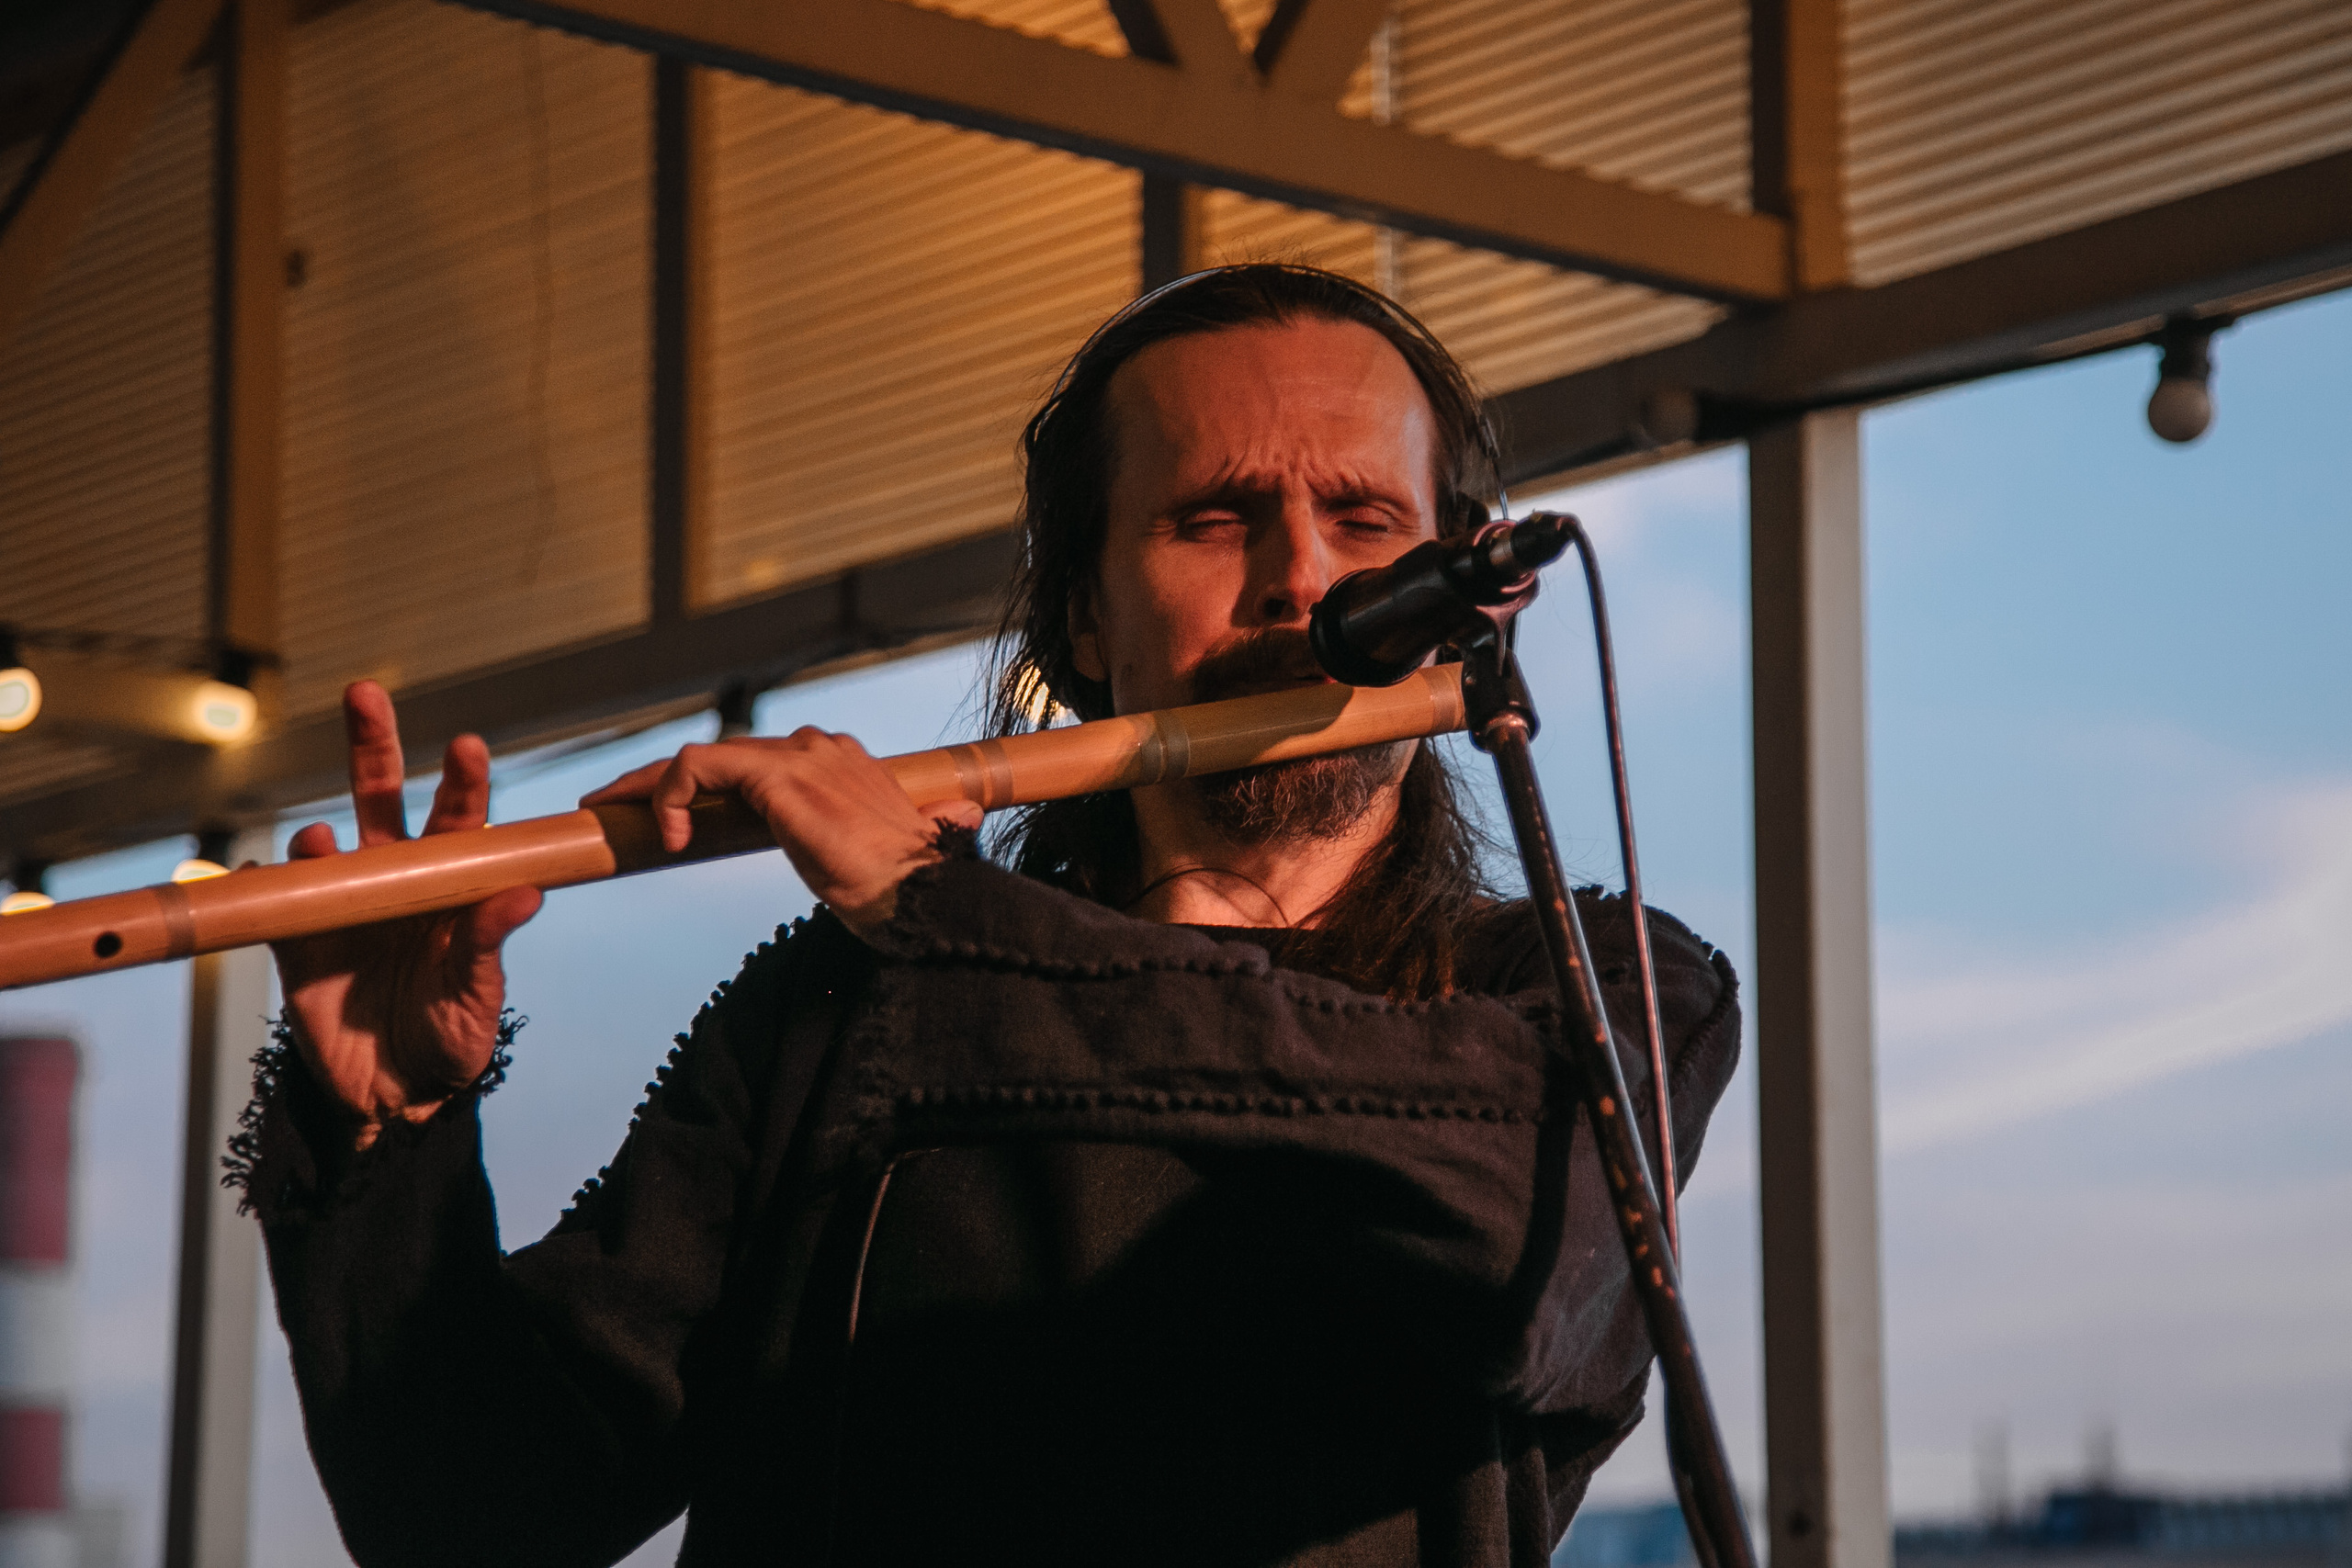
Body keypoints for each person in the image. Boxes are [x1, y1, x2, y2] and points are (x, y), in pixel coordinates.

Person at [233, 265, 1741, 1568]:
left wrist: (933, 912)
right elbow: (472, 1509)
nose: (1297, 576)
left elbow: (1521, 1254)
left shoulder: (1596, 993)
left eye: (1362, 516)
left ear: (1469, 592)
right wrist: (385, 1139)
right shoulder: (848, 1007)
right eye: (1214, 519)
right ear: (1082, 612)